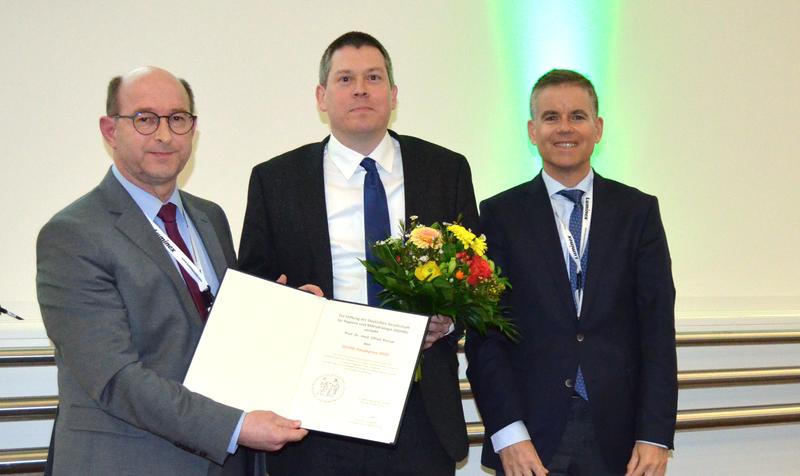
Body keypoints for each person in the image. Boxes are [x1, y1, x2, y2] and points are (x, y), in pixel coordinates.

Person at [36, 66, 310, 476]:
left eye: (178, 119)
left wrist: (285, 314)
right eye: (145, 119)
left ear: (193, 131)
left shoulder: (208, 217)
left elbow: (213, 329)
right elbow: (115, 379)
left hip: (227, 461)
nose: (164, 135)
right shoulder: (72, 235)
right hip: (130, 462)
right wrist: (234, 426)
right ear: (110, 130)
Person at [238, 31, 477, 475]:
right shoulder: (276, 180)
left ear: (394, 94)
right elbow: (254, 288)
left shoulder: (445, 170)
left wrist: (449, 320)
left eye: (374, 77)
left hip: (419, 411)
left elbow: (474, 276)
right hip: (314, 414)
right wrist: (292, 307)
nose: (361, 89)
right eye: (345, 78)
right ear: (322, 97)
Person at [465, 69, 678, 476]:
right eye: (550, 117)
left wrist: (655, 435)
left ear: (598, 128)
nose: (565, 127)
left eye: (578, 116)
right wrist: (508, 433)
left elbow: (657, 331)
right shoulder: (498, 216)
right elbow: (485, 338)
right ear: (532, 130)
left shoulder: (639, 213)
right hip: (531, 437)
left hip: (620, 437)